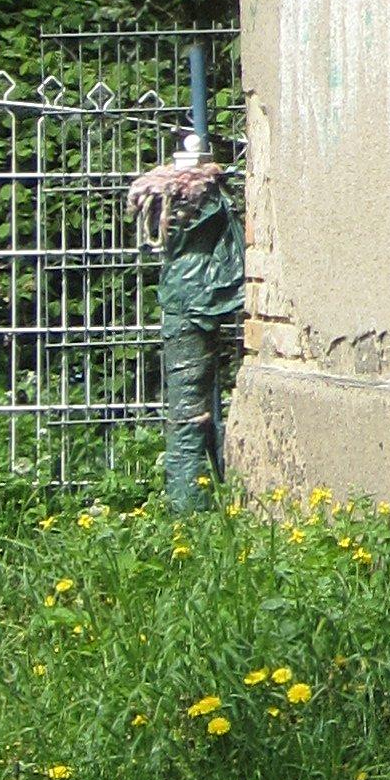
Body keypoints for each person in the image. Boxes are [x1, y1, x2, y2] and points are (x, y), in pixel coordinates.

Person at [126, 135, 245, 512]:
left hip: (187, 297)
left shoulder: (192, 193)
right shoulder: (189, 193)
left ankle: (193, 498)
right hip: (189, 298)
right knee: (189, 405)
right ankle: (189, 504)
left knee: (188, 405)